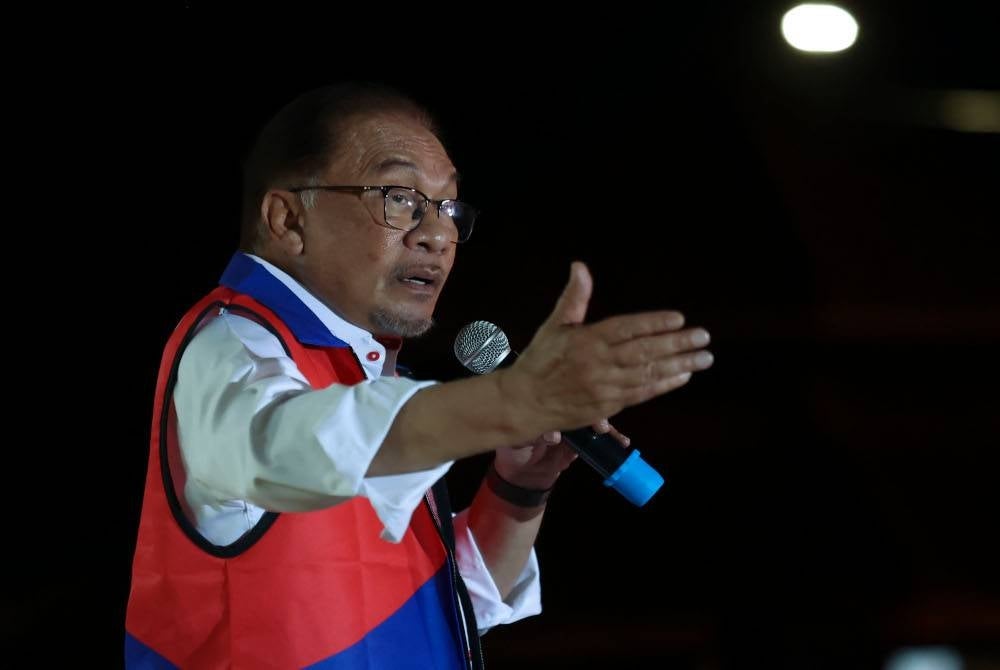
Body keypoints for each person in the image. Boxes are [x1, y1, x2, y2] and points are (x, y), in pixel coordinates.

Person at [125, 82, 714, 669]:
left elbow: (441, 612)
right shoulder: (233, 343)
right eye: (398, 197)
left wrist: (518, 489)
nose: (437, 234)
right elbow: (286, 451)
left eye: (450, 208)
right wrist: (510, 400)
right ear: (287, 219)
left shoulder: (363, 369)